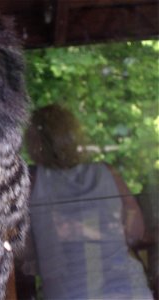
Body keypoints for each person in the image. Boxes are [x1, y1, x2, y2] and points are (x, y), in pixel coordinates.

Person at [17, 104, 153, 299]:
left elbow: (24, 250)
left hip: (72, 293)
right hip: (129, 290)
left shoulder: (33, 182)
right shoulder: (107, 173)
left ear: (33, 141)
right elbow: (135, 232)